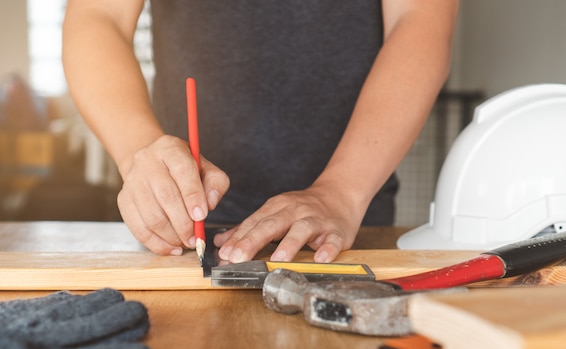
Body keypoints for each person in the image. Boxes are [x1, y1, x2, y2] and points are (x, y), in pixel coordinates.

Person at [62, 0, 458, 264]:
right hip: (183, 226)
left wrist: (341, 192)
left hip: (346, 223)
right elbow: (99, 16)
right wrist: (138, 149)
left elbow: (419, 21)